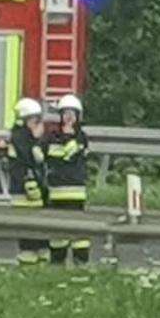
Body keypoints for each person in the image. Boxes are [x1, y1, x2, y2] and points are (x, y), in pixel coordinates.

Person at [44, 93, 90, 265]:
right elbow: (52, 156)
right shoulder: (52, 136)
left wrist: (69, 138)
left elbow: (70, 154)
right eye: (66, 113)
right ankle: (57, 263)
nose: (69, 117)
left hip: (76, 191)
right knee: (58, 231)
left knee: (79, 231)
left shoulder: (81, 137)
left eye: (73, 113)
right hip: (57, 191)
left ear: (78, 116)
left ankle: (81, 262)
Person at [6, 97, 49, 266]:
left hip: (32, 187)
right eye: (35, 120)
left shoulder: (26, 137)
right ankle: (29, 257)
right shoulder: (21, 138)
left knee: (37, 225)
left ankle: (37, 254)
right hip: (23, 188)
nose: (38, 123)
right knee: (28, 225)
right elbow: (31, 159)